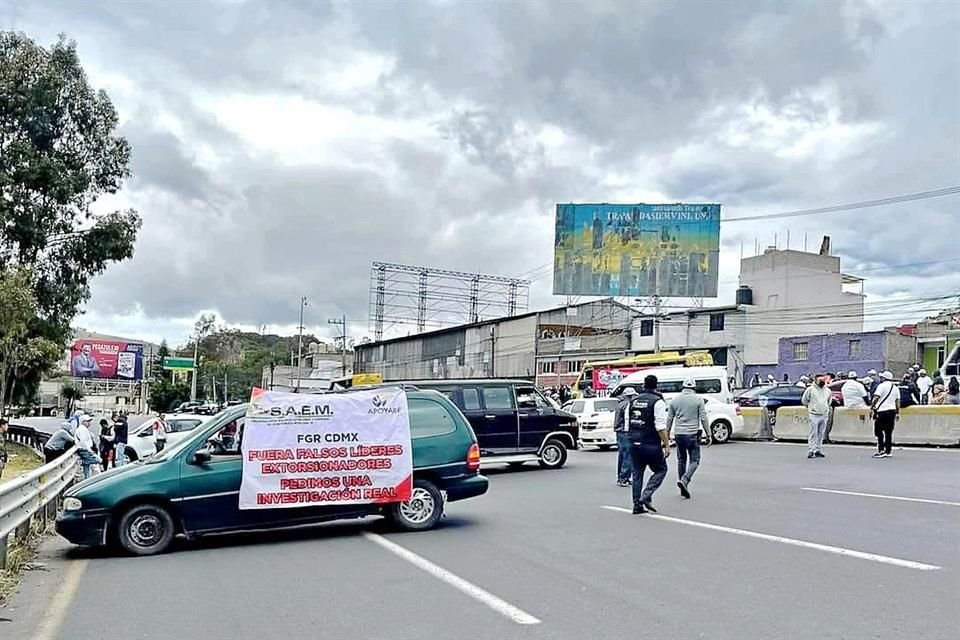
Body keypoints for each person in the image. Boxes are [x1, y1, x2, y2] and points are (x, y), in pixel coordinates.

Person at [626, 375, 670, 514]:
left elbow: (627, 424)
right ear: (656, 386)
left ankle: (636, 505)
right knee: (661, 469)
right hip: (650, 443)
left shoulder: (633, 401)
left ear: (644, 385)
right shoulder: (658, 402)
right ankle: (646, 496)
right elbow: (660, 427)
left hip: (633, 442)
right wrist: (667, 444)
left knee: (637, 474)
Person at [667, 378, 708, 499]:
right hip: (692, 434)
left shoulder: (675, 400)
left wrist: (667, 434)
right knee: (695, 460)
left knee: (681, 460)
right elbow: (704, 418)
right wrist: (709, 434)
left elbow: (669, 419)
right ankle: (685, 480)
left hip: (679, 434)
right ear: (694, 388)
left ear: (683, 387)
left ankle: (682, 485)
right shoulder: (698, 399)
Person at [801, 374, 832, 459]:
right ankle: (811, 450)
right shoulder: (810, 390)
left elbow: (829, 401)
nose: (822, 381)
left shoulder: (828, 391)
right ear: (815, 380)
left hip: (824, 414)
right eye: (820, 380)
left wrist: (826, 409)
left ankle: (818, 449)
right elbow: (804, 400)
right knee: (813, 433)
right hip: (814, 414)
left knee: (821, 433)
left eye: (823, 380)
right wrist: (811, 408)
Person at [871, 371, 899, 458]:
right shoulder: (895, 388)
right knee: (888, 432)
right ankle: (888, 451)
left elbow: (876, 397)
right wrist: (897, 412)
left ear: (883, 378)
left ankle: (881, 450)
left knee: (878, 431)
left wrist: (872, 406)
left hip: (882, 411)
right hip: (892, 411)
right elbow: (897, 402)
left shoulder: (881, 386)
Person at [613, 387, 636, 486]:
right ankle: (624, 477)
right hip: (625, 431)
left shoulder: (620, 404)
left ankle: (621, 476)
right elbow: (627, 419)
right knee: (628, 455)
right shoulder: (628, 405)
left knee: (622, 455)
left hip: (619, 432)